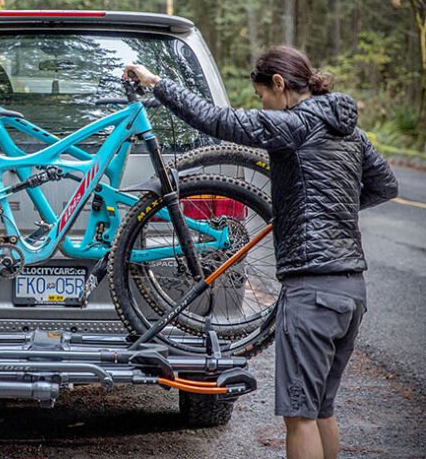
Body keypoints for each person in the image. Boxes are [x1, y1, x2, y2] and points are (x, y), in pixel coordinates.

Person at [124, 46, 398, 459]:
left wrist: (156, 83)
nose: (264, 107)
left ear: (279, 84)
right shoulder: (350, 131)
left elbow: (219, 121)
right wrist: (323, 208)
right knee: (322, 409)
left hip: (311, 291)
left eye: (263, 98)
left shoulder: (295, 124)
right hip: (350, 291)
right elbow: (385, 185)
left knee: (300, 416)